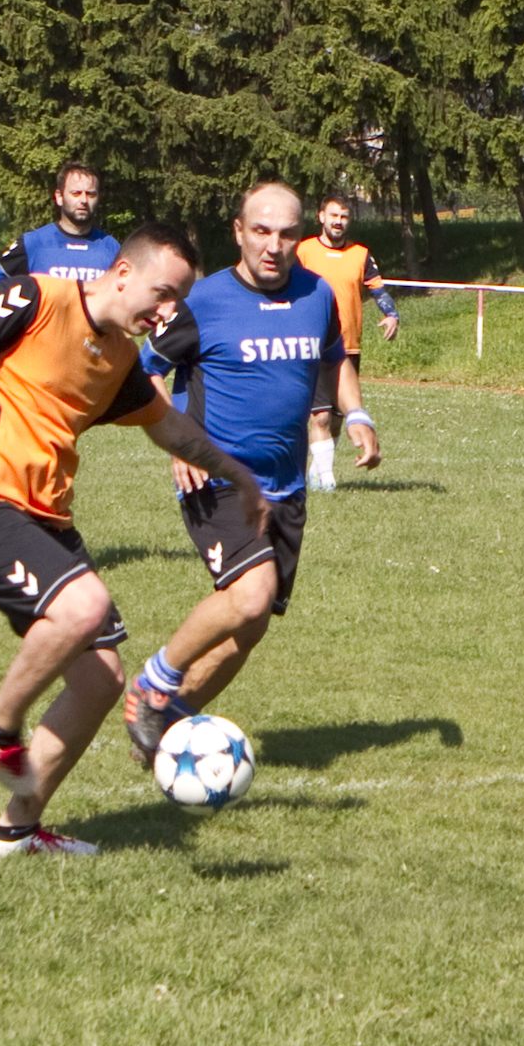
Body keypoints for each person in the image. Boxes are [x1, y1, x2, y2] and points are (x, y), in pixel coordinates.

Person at [0, 223, 266, 857]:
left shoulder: (119, 360)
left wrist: (239, 476)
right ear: (123, 273)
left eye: (177, 303)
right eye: (162, 294)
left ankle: (15, 831)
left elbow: (169, 430)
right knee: (81, 608)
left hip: (45, 518)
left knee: (102, 680)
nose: (166, 313)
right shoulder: (37, 299)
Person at [121, 182, 380, 759]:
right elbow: (148, 374)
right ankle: (152, 682)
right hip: (215, 479)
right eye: (261, 231)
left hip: (285, 488)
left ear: (301, 236)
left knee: (252, 625)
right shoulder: (203, 302)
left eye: (287, 233)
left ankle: (168, 720)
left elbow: (336, 360)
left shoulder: (318, 296)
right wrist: (177, 444)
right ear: (238, 231)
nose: (274, 245)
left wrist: (356, 413)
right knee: (251, 595)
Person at [294, 194, 399, 493]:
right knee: (320, 415)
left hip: (348, 346)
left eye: (344, 217)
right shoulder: (304, 252)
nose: (339, 222)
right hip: (312, 347)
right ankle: (326, 478)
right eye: (334, 216)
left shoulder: (360, 254)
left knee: (340, 418)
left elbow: (377, 289)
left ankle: (317, 469)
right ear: (321, 217)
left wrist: (391, 315)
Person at [0, 161, 118, 285]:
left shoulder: (111, 248)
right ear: (59, 197)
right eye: (76, 193)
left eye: (90, 194)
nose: (83, 200)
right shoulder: (33, 243)